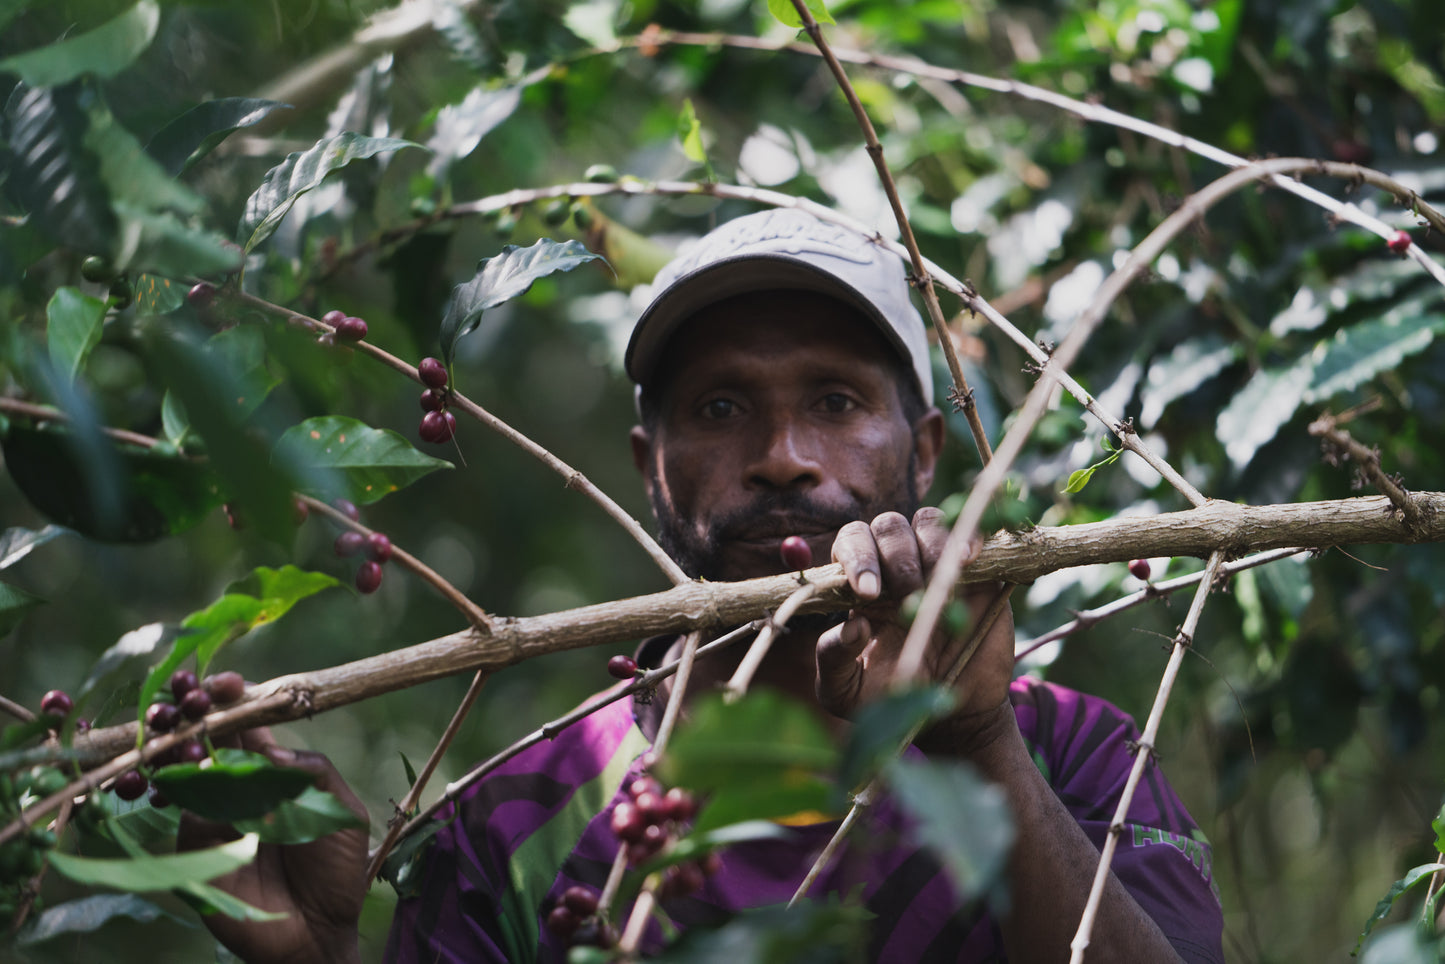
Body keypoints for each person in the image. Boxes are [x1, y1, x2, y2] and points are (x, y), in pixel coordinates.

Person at [182, 209, 1225, 963]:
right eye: (720, 408)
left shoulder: (1077, 755)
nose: (780, 455)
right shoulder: (511, 816)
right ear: (647, 465)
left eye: (831, 399)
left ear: (925, 453)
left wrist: (980, 746)